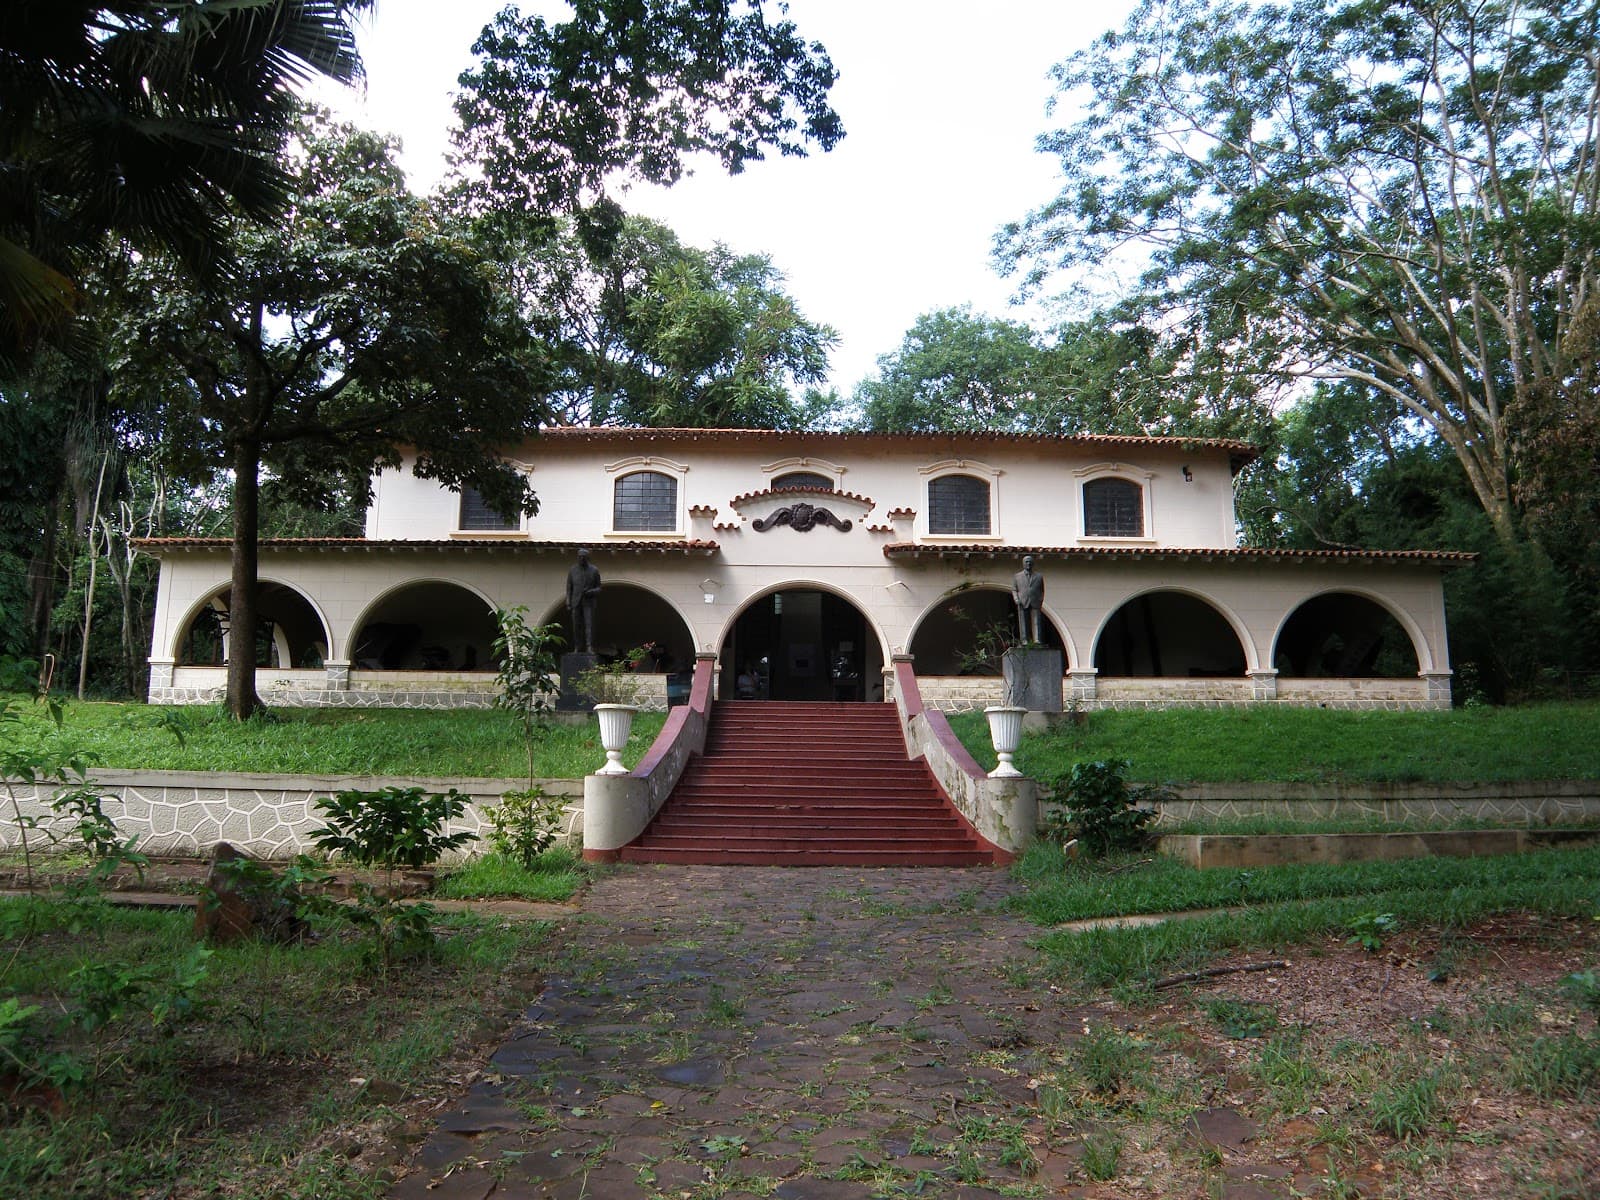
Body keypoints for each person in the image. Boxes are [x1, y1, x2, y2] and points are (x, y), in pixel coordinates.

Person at [565, 548, 602, 653]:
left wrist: (591, 592)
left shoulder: (594, 570)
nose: (581, 559)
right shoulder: (572, 570)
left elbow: (599, 588)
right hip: (575, 602)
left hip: (588, 602)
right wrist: (568, 601)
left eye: (583, 557)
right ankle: (577, 647)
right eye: (579, 557)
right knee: (576, 626)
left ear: (587, 558)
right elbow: (569, 587)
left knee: (589, 625)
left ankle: (589, 646)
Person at [1012, 555, 1044, 644]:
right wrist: (1016, 599)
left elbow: (1042, 590)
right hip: (1022, 601)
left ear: (1033, 563)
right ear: (1023, 564)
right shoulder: (1017, 576)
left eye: (1030, 561)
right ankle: (1024, 640)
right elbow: (1014, 589)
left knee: (1036, 621)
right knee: (1023, 622)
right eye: (1026, 562)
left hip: (1035, 601)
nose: (1028, 563)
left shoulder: (1039, 576)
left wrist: (1040, 600)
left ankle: (1037, 639)